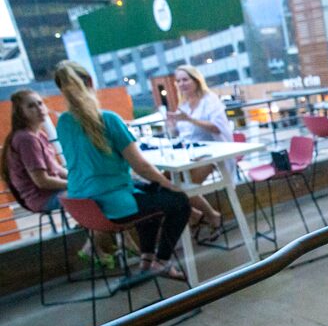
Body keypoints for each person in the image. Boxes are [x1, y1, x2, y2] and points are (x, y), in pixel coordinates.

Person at [54, 60, 190, 279]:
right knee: (179, 201)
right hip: (111, 205)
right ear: (90, 82)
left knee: (149, 194)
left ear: (62, 89)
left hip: (84, 204)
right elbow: (142, 166)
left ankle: (146, 261)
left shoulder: (64, 122)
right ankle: (162, 262)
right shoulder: (108, 119)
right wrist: (169, 184)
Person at [0, 88, 117, 267]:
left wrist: (83, 179)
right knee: (97, 196)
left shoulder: (39, 135)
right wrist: (76, 184)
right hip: (41, 198)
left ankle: (104, 246)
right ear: (21, 113)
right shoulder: (26, 139)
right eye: (31, 106)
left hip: (52, 192)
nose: (39, 108)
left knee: (98, 187)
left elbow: (57, 169)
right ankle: (94, 247)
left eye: (40, 103)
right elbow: (42, 181)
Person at [165, 65, 232, 239]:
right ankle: (196, 215)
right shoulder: (183, 104)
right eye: (178, 81)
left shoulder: (210, 100)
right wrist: (172, 127)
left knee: (181, 190)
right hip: (187, 154)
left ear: (196, 80)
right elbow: (181, 133)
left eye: (185, 79)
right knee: (163, 182)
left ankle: (204, 216)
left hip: (211, 154)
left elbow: (217, 128)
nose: (181, 84)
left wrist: (189, 119)